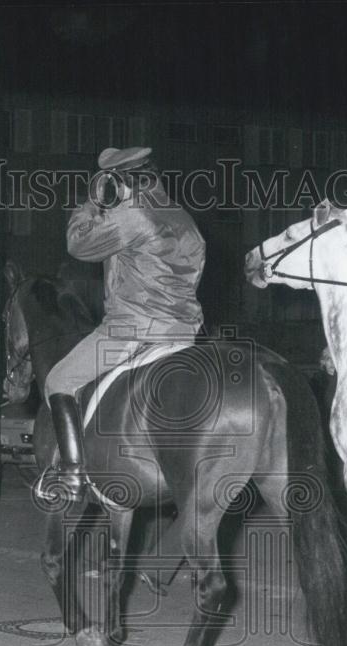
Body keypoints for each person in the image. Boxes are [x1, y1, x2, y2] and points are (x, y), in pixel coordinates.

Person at [42, 146, 206, 500]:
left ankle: (71, 474)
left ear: (122, 181)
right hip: (184, 334)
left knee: (59, 380)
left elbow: (78, 244)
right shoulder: (181, 216)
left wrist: (92, 203)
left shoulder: (131, 214)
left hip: (132, 330)